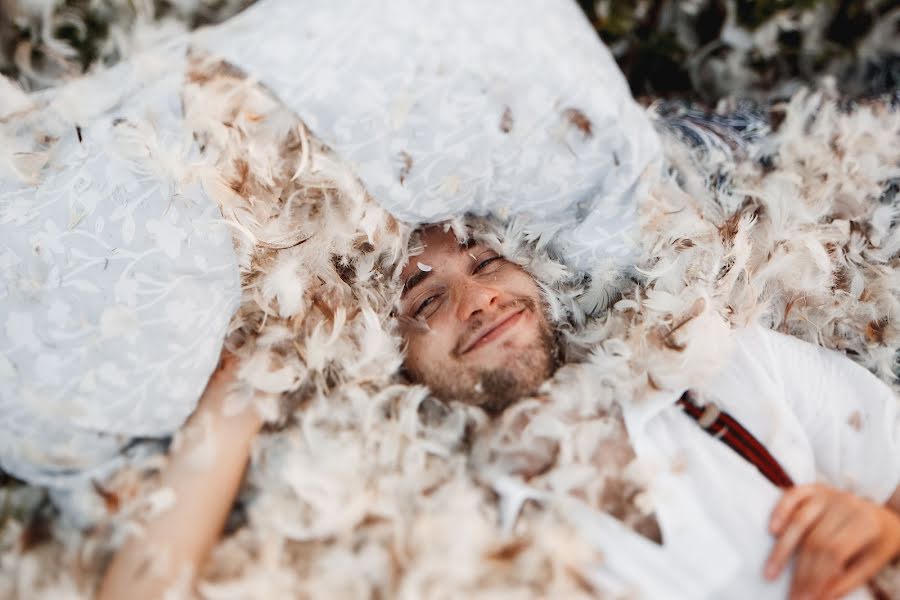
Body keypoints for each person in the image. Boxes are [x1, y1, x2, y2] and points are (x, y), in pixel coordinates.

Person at [100, 223, 900, 600]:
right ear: (401, 369)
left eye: (486, 263)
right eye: (427, 302)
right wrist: (247, 382)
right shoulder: (445, 545)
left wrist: (885, 529)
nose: (477, 298)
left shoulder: (728, 366)